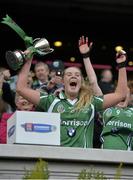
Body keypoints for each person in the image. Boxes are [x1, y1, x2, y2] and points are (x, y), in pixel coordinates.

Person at [16, 38, 127, 148]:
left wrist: (122, 66)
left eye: (77, 75)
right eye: (69, 74)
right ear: (63, 81)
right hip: (57, 160)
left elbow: (120, 95)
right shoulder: (50, 101)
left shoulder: (91, 102)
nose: (73, 76)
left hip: (83, 161)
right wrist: (28, 60)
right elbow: (21, 88)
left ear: (81, 82)